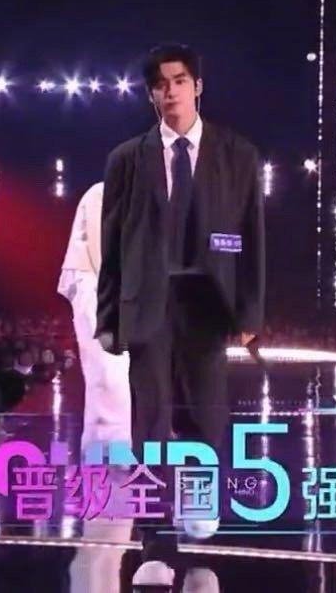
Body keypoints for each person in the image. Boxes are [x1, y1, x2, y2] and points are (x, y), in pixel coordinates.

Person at [96, 43, 265, 582]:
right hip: (149, 299)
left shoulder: (237, 154)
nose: (170, 91)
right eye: (160, 84)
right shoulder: (127, 158)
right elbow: (112, 242)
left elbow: (252, 234)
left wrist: (250, 310)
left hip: (207, 300)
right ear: (151, 95)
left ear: (198, 87)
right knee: (149, 417)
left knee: (204, 411)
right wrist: (108, 316)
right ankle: (153, 529)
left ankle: (198, 499)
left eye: (179, 81)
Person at [58, 182, 133, 459]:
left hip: (117, 290)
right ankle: (110, 460)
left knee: (115, 375)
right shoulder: (106, 192)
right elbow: (105, 252)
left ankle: (105, 457)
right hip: (94, 282)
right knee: (108, 373)